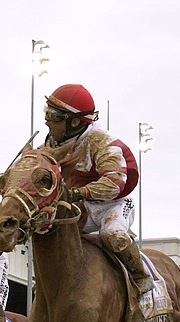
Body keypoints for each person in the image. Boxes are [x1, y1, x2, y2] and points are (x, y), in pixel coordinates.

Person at [41, 83, 154, 295]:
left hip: (113, 204)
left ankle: (141, 278)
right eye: (46, 111)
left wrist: (79, 193)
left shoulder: (102, 142)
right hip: (82, 206)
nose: (46, 120)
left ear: (74, 121)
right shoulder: (53, 141)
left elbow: (114, 182)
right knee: (48, 230)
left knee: (113, 234)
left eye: (53, 115)